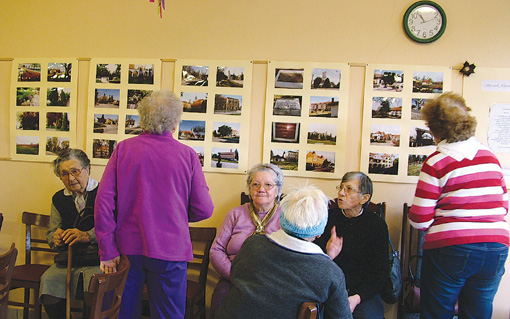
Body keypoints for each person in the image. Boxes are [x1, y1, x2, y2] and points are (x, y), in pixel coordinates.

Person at [94, 90, 214, 319]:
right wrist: (175, 213)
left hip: (127, 248)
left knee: (123, 313)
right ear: (175, 122)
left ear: (143, 119)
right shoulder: (187, 155)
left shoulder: (123, 150)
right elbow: (204, 209)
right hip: (170, 250)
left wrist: (107, 250)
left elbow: (103, 203)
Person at [408, 92, 510, 319]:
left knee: (437, 311)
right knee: (478, 312)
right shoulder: (490, 157)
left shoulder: (437, 161)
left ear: (436, 129)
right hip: (496, 246)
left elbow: (419, 219)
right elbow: (503, 207)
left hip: (452, 247)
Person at [215, 185, 352, 319]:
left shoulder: (252, 244)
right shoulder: (330, 272)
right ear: (319, 232)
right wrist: (328, 259)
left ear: (283, 218)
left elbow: (235, 276)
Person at [209, 163, 283, 318]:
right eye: (255, 184)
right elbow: (216, 250)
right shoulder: (235, 214)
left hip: (271, 282)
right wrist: (233, 275)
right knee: (220, 302)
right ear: (250, 189)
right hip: (233, 279)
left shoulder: (287, 217)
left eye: (268, 185)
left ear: (277, 190)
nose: (261, 189)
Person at [314, 171, 389, 319]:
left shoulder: (376, 225)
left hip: (363, 293)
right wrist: (328, 254)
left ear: (364, 198)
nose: (341, 193)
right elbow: (312, 264)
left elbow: (380, 273)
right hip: (330, 290)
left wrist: (357, 298)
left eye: (348, 189)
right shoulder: (327, 218)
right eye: (341, 187)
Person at [40, 148, 101, 319]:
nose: (71, 178)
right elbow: (51, 232)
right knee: (48, 282)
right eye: (64, 174)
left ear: (88, 169)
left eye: (75, 171)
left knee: (94, 288)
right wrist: (56, 238)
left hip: (99, 259)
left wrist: (88, 235)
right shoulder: (58, 199)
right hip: (69, 259)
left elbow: (117, 229)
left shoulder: (105, 193)